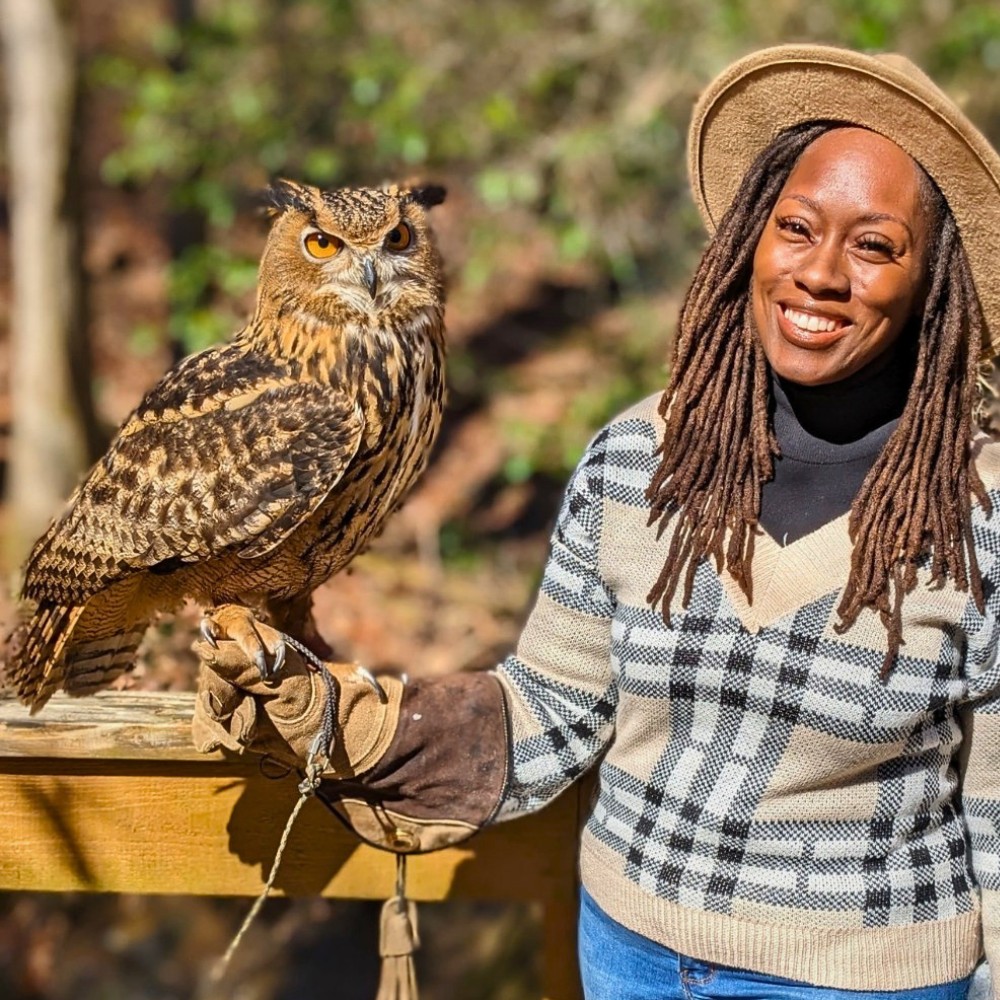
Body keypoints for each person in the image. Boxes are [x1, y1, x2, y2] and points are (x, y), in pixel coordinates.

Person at [191, 45, 1000, 998]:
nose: (821, 273)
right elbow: (554, 701)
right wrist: (361, 726)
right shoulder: (637, 459)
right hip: (626, 958)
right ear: (750, 240)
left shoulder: (977, 511)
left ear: (932, 280)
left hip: (866, 977)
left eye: (874, 245)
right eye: (795, 227)